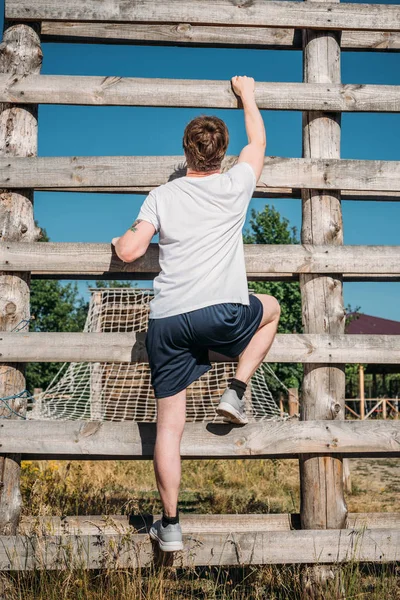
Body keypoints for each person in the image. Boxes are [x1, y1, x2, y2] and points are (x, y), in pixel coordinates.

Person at [112, 76, 280, 553]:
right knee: (272, 310)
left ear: (185, 151)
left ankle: (169, 525)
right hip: (220, 314)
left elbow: (129, 251)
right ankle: (237, 391)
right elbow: (260, 141)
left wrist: (119, 240)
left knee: (169, 427)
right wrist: (247, 94)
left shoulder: (162, 196)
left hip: (166, 322)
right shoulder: (236, 183)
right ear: (222, 153)